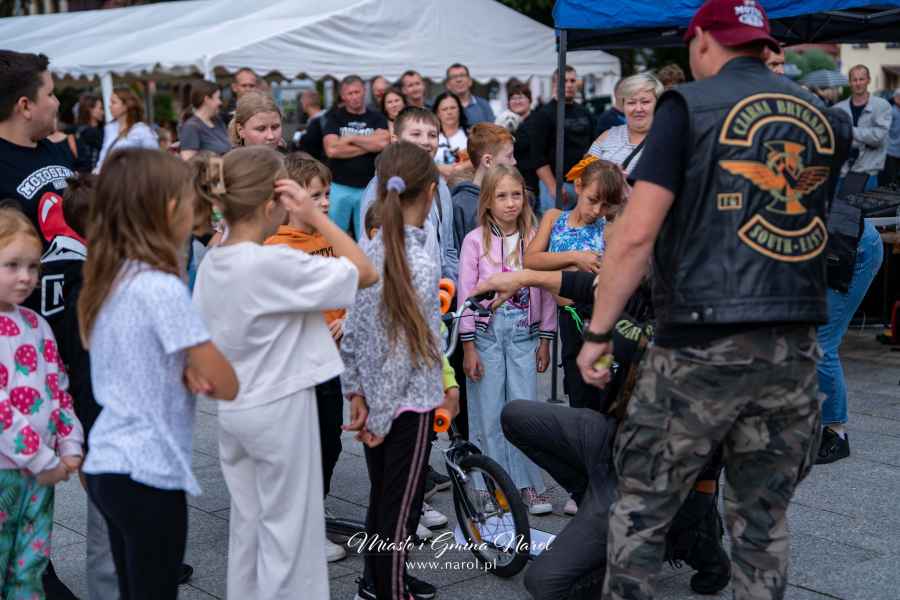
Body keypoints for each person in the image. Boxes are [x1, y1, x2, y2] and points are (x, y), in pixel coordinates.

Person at [571, 1, 851, 599]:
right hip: (791, 345)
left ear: (701, 40)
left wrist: (597, 334)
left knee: (643, 509)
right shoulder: (822, 115)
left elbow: (635, 235)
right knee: (762, 523)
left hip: (700, 342)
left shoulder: (686, 107)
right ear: (763, 45)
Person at [469, 266, 731, 599]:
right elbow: (593, 284)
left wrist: (599, 330)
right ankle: (596, 507)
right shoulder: (661, 280)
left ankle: (671, 542)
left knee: (545, 584)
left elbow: (633, 335)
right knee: (516, 415)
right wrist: (522, 277)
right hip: (615, 441)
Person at [193, 146, 375, 597]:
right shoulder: (271, 262)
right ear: (272, 202)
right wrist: (316, 218)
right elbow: (365, 271)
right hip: (280, 405)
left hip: (236, 408)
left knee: (249, 527)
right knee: (292, 535)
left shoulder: (214, 259)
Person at [79, 149, 239, 600]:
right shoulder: (161, 288)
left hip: (109, 462)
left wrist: (185, 366)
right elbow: (225, 383)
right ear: (169, 209)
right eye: (191, 198)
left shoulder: (112, 276)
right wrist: (200, 364)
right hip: (149, 470)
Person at [340, 141, 460, 600]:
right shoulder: (421, 264)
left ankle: (372, 586)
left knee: (382, 502)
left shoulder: (369, 251)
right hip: (406, 407)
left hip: (377, 401)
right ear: (430, 193)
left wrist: (358, 394)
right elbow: (408, 350)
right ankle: (390, 590)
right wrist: (383, 414)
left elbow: (353, 332)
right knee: (399, 514)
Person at [262, 153, 351, 562]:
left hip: (330, 364)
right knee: (303, 449)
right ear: (291, 200)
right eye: (316, 196)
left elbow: (352, 287)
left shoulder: (329, 239)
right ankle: (300, 527)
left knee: (329, 442)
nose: (326, 202)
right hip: (298, 369)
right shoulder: (276, 247)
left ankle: (312, 509)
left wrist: (347, 317)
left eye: (327, 193)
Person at [457, 165, 556, 514]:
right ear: (487, 201)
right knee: (487, 412)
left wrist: (546, 338)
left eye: (516, 195)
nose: (510, 202)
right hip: (485, 336)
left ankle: (528, 484)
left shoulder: (534, 238)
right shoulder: (475, 241)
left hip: (524, 335)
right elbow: (466, 295)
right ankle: (488, 484)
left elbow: (546, 289)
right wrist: (468, 345)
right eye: (501, 196)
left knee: (524, 409)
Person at [0, 205, 83, 599]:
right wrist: (41, 458)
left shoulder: (37, 325)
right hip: (7, 472)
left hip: (40, 474)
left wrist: (70, 442)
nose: (26, 276)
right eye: (12, 265)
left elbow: (58, 388)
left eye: (33, 266)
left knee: (29, 565)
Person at [57, 174, 121, 600]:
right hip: (99, 406)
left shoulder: (86, 270)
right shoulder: (92, 278)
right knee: (106, 512)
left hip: (92, 402)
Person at [525, 158, 622, 417]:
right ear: (578, 186)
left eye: (605, 205)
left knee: (600, 390)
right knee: (576, 388)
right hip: (567, 319)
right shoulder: (554, 218)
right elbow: (530, 259)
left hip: (595, 317)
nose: (597, 210)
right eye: (593, 200)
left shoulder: (608, 229)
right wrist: (575, 257)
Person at [358, 107, 457, 283]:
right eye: (416, 134)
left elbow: (448, 248)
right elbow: (371, 251)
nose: (426, 141)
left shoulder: (440, 186)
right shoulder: (380, 187)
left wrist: (453, 283)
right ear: (395, 140)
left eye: (432, 135)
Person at [323, 75, 390, 236]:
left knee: (367, 235)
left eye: (357, 92)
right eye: (350, 93)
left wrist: (351, 138)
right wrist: (370, 144)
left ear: (364, 91)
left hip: (369, 187)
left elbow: (383, 143)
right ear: (343, 96)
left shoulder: (377, 117)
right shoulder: (334, 117)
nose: (354, 97)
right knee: (335, 234)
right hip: (340, 186)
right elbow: (332, 150)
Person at [529, 65, 595, 214]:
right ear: (554, 84)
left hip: (583, 184)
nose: (569, 85)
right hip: (555, 185)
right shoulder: (543, 114)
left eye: (572, 80)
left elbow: (593, 148)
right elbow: (538, 157)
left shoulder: (585, 112)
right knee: (554, 227)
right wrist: (553, 187)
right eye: (564, 81)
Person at [451, 122, 517, 248]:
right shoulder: (461, 206)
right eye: (509, 156)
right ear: (488, 161)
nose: (514, 162)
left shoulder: (514, 200)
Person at [587, 73, 663, 176]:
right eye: (631, 103)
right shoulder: (607, 136)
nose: (638, 109)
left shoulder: (668, 139)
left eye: (645, 102)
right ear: (623, 106)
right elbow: (581, 175)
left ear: (658, 104)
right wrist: (609, 177)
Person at [835, 64, 891, 191]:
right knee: (838, 204)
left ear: (868, 80)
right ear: (850, 82)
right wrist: (865, 136)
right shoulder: (838, 109)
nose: (858, 83)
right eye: (854, 80)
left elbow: (878, 137)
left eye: (861, 79)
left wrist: (848, 131)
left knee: (864, 204)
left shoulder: (882, 106)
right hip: (842, 173)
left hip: (867, 173)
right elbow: (836, 139)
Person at [95, 87, 158, 170]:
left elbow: (154, 158)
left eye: (114, 102)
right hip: (110, 176)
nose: (109, 106)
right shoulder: (109, 128)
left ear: (126, 106)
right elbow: (103, 156)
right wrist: (98, 171)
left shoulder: (141, 130)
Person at [179, 80, 231, 159]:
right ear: (207, 99)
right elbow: (188, 161)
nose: (220, 102)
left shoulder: (218, 122)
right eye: (218, 98)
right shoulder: (191, 128)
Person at [432, 91, 469, 168]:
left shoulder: (470, 135)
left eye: (453, 108)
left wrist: (463, 167)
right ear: (437, 113)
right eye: (444, 109)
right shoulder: (429, 137)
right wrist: (440, 168)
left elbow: (480, 160)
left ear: (459, 110)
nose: (449, 112)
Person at [71, 93, 104, 172]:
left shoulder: (79, 129)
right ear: (90, 110)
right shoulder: (90, 132)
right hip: (93, 174)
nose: (102, 112)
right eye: (100, 108)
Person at [882, 88, 900, 185]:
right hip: (891, 151)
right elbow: (885, 131)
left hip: (897, 150)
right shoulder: (891, 111)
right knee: (890, 179)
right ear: (895, 98)